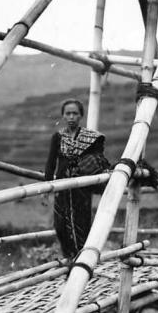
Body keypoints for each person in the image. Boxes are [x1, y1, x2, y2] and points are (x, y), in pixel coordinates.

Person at [45, 99, 109, 258]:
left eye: (75, 113)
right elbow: (51, 163)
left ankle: (83, 259)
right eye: (68, 113)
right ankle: (69, 257)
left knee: (81, 223)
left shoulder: (91, 139)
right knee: (60, 226)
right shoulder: (58, 137)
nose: (71, 117)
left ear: (81, 115)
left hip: (81, 188)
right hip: (62, 188)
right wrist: (46, 187)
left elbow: (98, 161)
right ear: (63, 116)